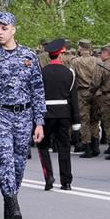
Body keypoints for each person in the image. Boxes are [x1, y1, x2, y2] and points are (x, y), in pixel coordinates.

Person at [0, 12, 46, 219]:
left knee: (19, 164)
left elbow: (37, 89)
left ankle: (10, 205)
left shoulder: (28, 55)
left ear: (13, 29)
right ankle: (12, 203)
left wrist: (39, 122)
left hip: (24, 116)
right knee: (5, 160)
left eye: (4, 28)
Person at [37, 39, 80, 190]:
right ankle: (66, 181)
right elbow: (74, 99)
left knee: (42, 146)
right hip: (64, 114)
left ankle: (48, 176)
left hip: (45, 114)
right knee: (64, 147)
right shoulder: (70, 73)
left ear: (49, 56)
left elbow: (36, 96)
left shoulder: (41, 73)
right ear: (61, 55)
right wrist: (76, 123)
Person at [70, 40, 102, 158]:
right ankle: (96, 145)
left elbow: (72, 77)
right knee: (95, 120)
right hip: (96, 92)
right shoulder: (98, 61)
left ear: (81, 48)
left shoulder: (75, 62)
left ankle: (87, 147)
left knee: (85, 120)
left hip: (82, 92)